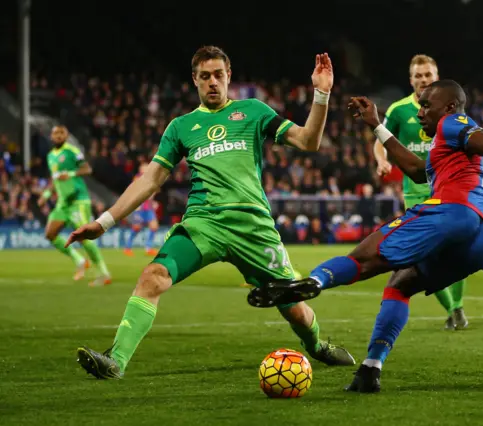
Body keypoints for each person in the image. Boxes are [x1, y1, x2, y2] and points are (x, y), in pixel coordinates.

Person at [66, 46, 355, 379]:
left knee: (294, 309)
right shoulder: (181, 127)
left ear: (229, 76)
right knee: (152, 277)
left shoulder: (253, 111)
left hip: (253, 227)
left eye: (219, 75)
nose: (213, 82)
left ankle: (317, 346)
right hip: (204, 224)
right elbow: (151, 179)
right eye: (205, 77)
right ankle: (115, 360)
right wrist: (104, 223)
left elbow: (308, 142)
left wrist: (321, 94)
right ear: (195, 80)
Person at [249, 80, 483, 392]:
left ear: (450, 107)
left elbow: (482, 139)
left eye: (427, 105)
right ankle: (371, 368)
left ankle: (314, 282)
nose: (421, 112)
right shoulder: (448, 150)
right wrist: (375, 124)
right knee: (400, 285)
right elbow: (415, 169)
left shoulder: (454, 123)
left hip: (454, 212)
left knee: (363, 258)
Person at [373, 54, 467, 330]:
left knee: (458, 252)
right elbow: (381, 138)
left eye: (428, 75)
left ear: (436, 77)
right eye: (418, 76)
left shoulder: (451, 109)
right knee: (425, 254)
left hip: (450, 189)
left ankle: (456, 307)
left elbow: (469, 141)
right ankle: (453, 308)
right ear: (411, 79)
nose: (423, 80)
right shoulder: (400, 110)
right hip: (416, 194)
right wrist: (382, 159)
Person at [38, 125, 112, 286]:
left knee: (84, 237)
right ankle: (79, 260)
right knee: (50, 234)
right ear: (51, 137)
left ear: (66, 136)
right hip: (63, 203)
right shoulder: (51, 156)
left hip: (78, 200)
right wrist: (46, 195)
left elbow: (87, 169)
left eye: (61, 133)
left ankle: (103, 274)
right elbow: (55, 180)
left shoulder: (72, 151)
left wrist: (71, 173)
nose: (58, 136)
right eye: (55, 133)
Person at [123, 162, 159, 257]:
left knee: (154, 226)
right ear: (140, 169)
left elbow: (153, 190)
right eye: (144, 167)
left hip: (148, 207)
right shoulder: (137, 178)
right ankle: (127, 247)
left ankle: (148, 248)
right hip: (140, 207)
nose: (146, 169)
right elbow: (135, 190)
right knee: (137, 228)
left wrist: (153, 201)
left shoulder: (151, 177)